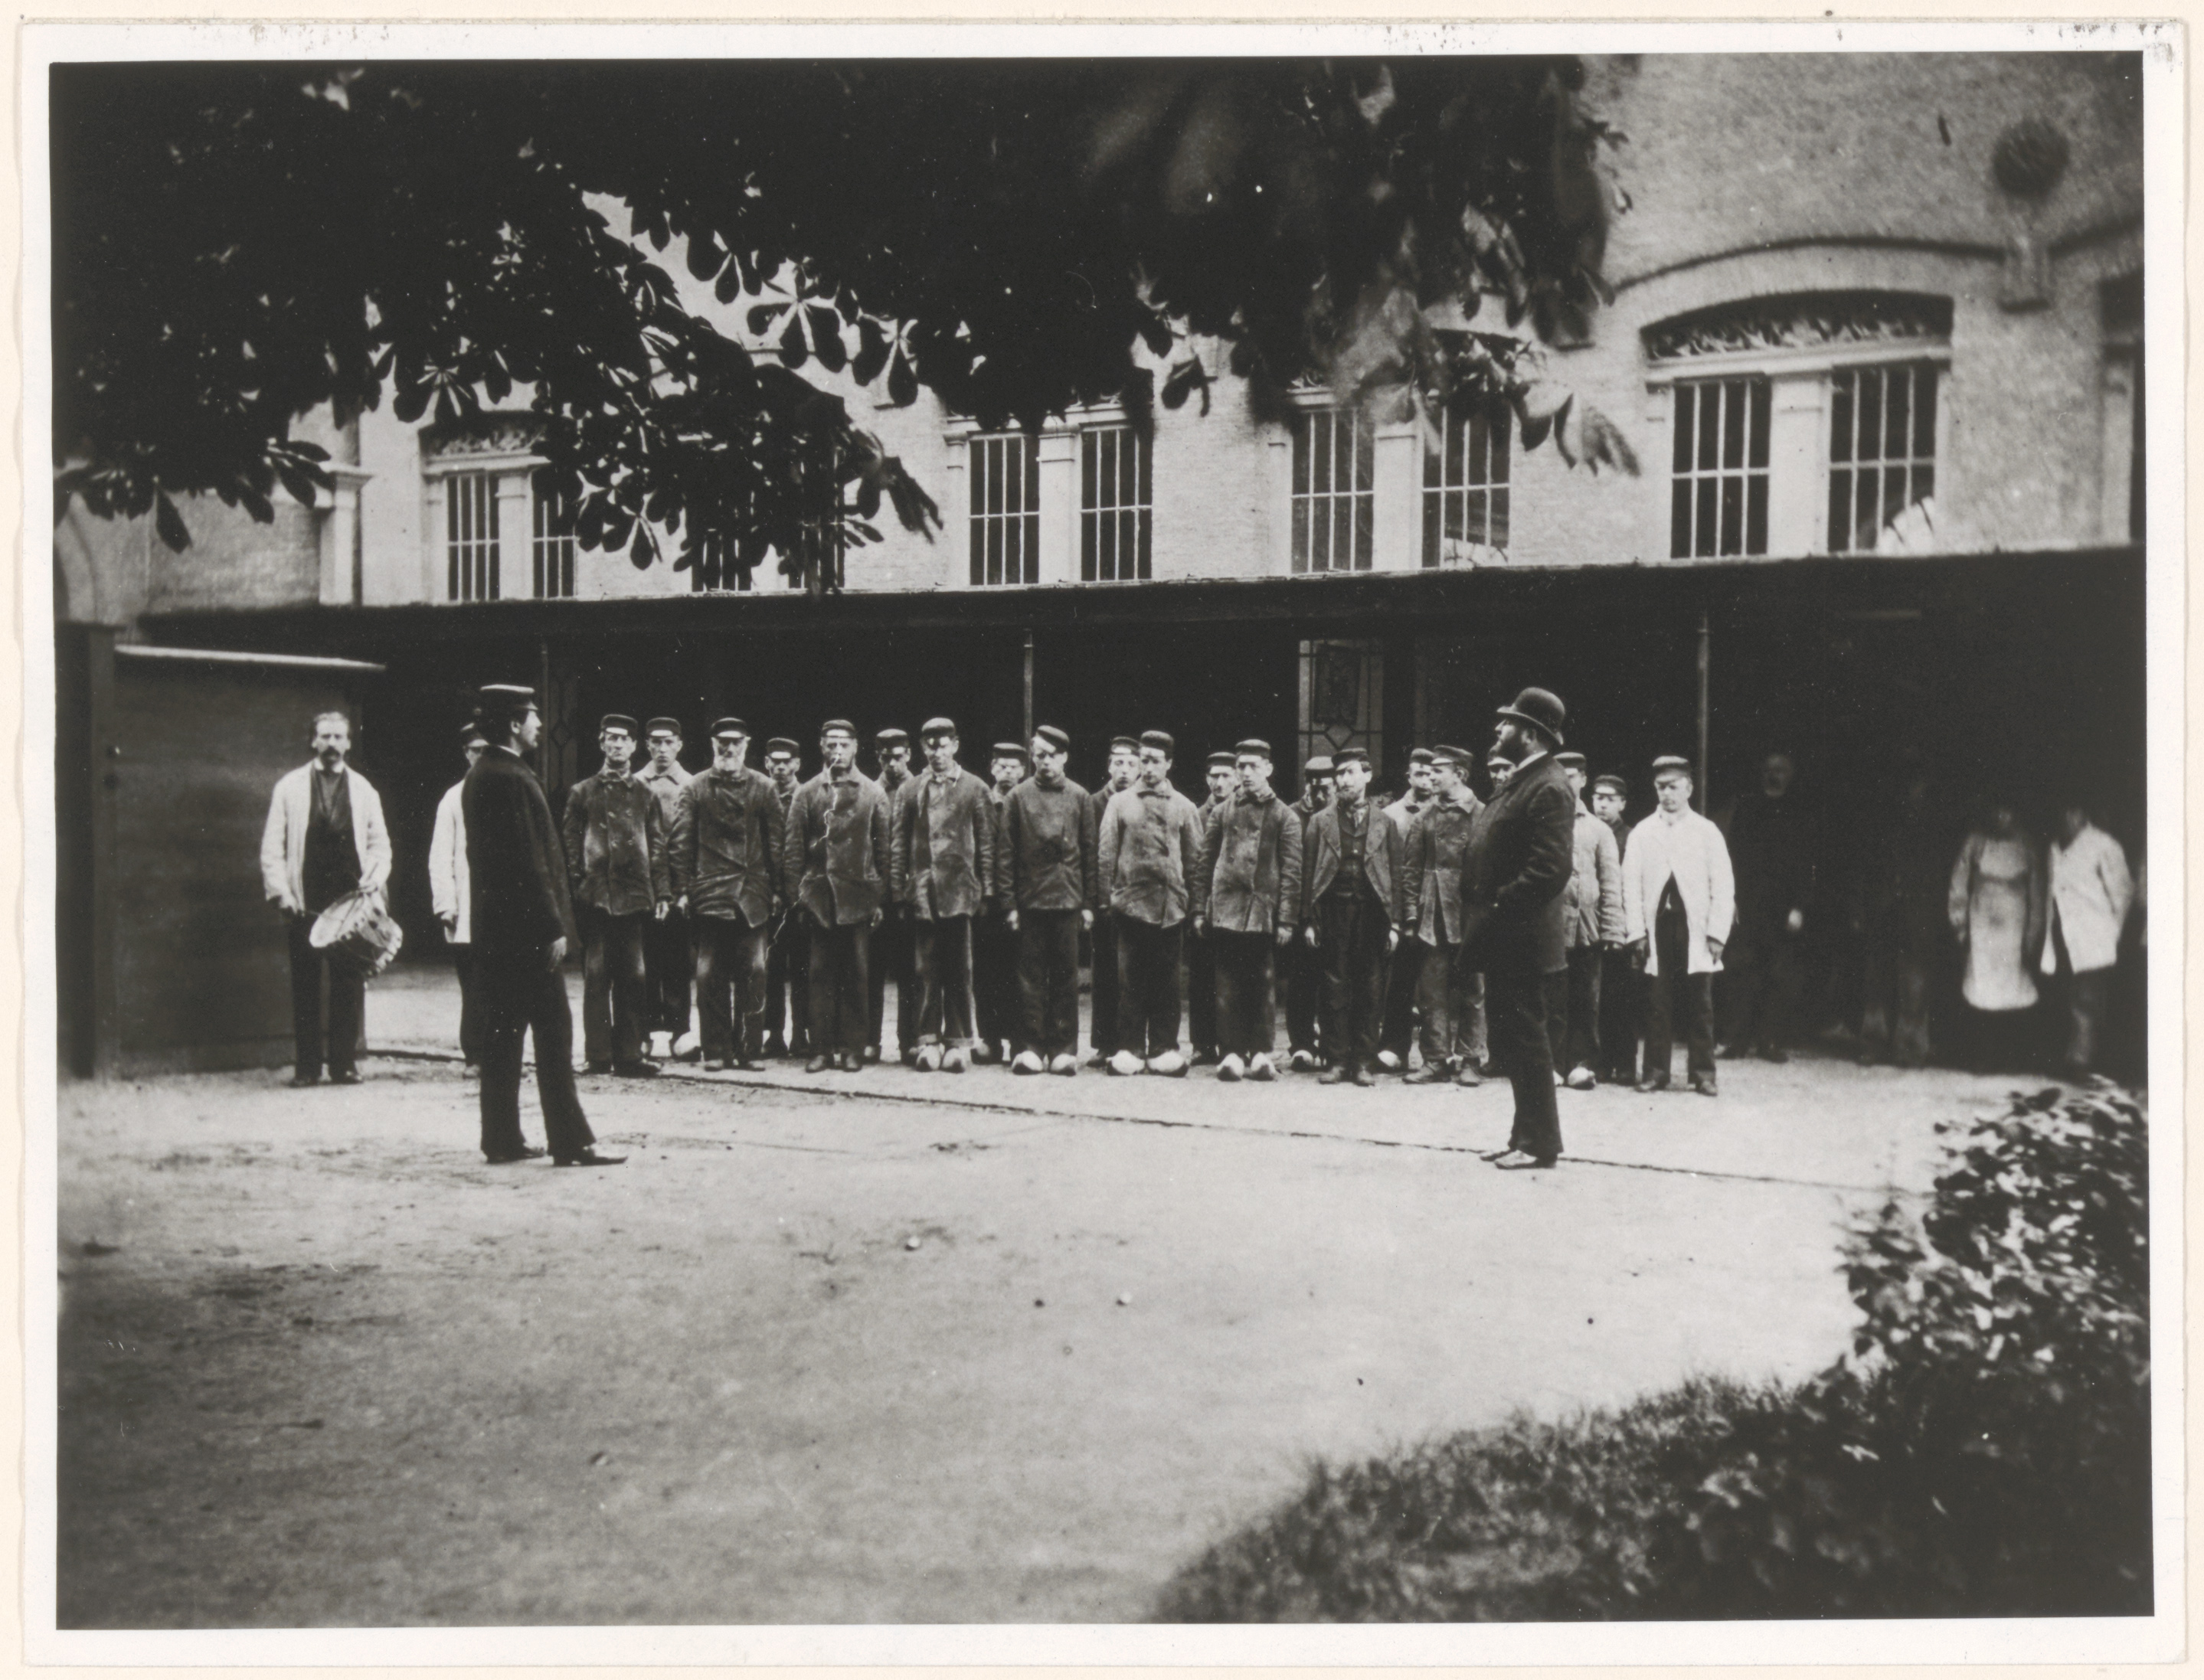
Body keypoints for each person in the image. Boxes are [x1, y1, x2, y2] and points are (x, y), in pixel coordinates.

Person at [463, 685, 621, 1167]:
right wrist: (552, 926)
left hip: (498, 934)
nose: (538, 724)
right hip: (527, 935)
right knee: (554, 1032)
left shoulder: (483, 773)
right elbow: (528, 862)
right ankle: (570, 1142)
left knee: (503, 1035)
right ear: (513, 725)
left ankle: (501, 1139)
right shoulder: (510, 777)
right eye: (532, 716)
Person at [1463, 691, 1578, 1167]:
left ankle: (1540, 1145)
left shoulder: (1548, 785)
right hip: (1505, 936)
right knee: (1513, 1039)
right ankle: (1521, 1137)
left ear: (1529, 734)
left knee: (1527, 1040)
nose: (1498, 730)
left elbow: (1550, 869)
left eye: (1507, 723)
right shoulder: (1525, 779)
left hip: (1521, 938)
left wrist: (1498, 905)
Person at [260, 708, 393, 1087]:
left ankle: (343, 1065)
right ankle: (307, 1068)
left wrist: (373, 879)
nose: (332, 744)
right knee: (305, 982)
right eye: (325, 736)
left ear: (349, 743)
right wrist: (282, 893)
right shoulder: (289, 787)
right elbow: (272, 846)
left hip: (350, 900)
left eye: (338, 737)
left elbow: (380, 845)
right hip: (305, 898)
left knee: (348, 981)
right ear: (313, 741)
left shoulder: (364, 790)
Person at [669, 717, 783, 1072]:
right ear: (713, 744)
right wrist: (682, 890)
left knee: (755, 970)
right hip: (710, 894)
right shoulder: (695, 788)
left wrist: (778, 889)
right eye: (722, 742)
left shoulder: (764, 787)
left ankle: (749, 1051)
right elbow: (681, 843)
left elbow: (776, 844)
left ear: (746, 745)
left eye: (735, 742)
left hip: (752, 894)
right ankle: (716, 1050)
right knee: (709, 975)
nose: (729, 749)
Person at [561, 714, 669, 1077]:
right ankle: (597, 1056)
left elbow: (657, 845)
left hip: (634, 897)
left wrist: (662, 892)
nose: (618, 744)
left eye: (624, 739)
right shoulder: (583, 792)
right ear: (601, 743)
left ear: (634, 746)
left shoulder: (645, 795)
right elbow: (570, 846)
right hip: (596, 898)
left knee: (634, 976)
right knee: (596, 976)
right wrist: (579, 887)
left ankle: (629, 1056)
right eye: (611, 738)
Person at [1192, 738, 1303, 1082]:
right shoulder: (1222, 813)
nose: (1247, 773)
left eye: (1255, 766)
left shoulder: (1284, 815)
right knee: (1227, 984)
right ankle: (1232, 1052)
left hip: (1262, 911)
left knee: (1262, 983)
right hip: (1226, 909)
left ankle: (1262, 1052)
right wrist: (1199, 910)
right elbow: (1205, 863)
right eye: (1242, 766)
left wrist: (1286, 919)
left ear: (1269, 768)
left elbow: (1292, 872)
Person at [891, 717, 998, 1073]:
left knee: (960, 969)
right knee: (925, 970)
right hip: (924, 893)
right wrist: (898, 891)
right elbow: (899, 844)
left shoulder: (975, 788)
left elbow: (986, 844)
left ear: (955, 745)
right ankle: (928, 1041)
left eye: (943, 745)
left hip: (961, 892)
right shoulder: (910, 791)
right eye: (930, 746)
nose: (937, 752)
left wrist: (987, 890)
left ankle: (958, 1042)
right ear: (923, 748)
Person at [1623, 757, 1735, 1097]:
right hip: (1658, 927)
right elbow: (1631, 885)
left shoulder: (1706, 831)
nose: (1667, 794)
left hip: (1695, 928)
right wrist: (1637, 933)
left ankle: (1703, 1074)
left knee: (1701, 1003)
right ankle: (1655, 1072)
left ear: (1689, 788)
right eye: (1661, 787)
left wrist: (1717, 933)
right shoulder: (1643, 832)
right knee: (1658, 1002)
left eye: (1673, 787)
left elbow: (1723, 884)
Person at [784, 720, 891, 1073]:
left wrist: (879, 899)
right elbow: (793, 851)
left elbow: (884, 851)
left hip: (859, 898)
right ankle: (821, 1049)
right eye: (831, 744)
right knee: (819, 975)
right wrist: (798, 899)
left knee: (857, 974)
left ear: (856, 748)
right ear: (821, 747)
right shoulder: (807, 793)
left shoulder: (873, 793)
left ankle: (852, 1049)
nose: (838, 751)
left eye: (844, 744)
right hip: (819, 899)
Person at [1097, 731, 1205, 1075]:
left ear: (1169, 764)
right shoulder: (1120, 803)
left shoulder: (1184, 807)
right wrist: (1107, 901)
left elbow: (1196, 862)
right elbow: (1106, 855)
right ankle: (1129, 1048)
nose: (1148, 767)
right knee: (1129, 982)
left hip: (1170, 909)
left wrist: (1195, 907)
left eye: (1155, 761)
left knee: (1167, 984)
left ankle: (1163, 1048)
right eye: (1144, 760)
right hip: (1130, 908)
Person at [1301, 747, 1402, 1087]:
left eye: (1350, 772)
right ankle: (1336, 1060)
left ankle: (1362, 1062)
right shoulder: (1320, 822)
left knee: (1370, 988)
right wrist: (1309, 921)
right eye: (1339, 774)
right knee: (1333, 987)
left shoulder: (1386, 823)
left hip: (1373, 915)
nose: (1343, 780)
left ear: (1367, 776)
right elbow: (1308, 874)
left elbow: (1396, 876)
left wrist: (1395, 924)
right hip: (1333, 913)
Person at [1002, 726, 1097, 1075]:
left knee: (1065, 979)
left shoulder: (1080, 797)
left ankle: (1063, 1049)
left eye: (1052, 755)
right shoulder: (1017, 797)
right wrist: (1010, 905)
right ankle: (1029, 1048)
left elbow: (1090, 853)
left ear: (1065, 757)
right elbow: (1005, 855)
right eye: (1039, 755)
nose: (1046, 762)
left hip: (1068, 900)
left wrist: (1089, 903)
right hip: (1030, 901)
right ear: (1032, 756)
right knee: (1028, 978)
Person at [1719, 752, 1817, 1062]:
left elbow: (1805, 864)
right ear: (1762, 773)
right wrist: (1731, 899)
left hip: (1782, 909)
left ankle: (1769, 1041)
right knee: (1741, 973)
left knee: (1778, 976)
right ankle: (1737, 1040)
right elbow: (1732, 856)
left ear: (1791, 775)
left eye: (1782, 770)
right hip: (1749, 906)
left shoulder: (1798, 813)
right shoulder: (1747, 808)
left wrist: (1799, 907)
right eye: (1770, 770)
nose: (1775, 775)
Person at [1398, 745, 1484, 1086]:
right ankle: (1435, 1059)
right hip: (1432, 913)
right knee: (1431, 989)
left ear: (1459, 774)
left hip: (1470, 913)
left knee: (1473, 990)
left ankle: (1470, 1060)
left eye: (1439, 771)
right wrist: (1410, 915)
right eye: (1429, 770)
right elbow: (1410, 870)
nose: (1431, 777)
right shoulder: (1425, 817)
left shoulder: (1482, 815)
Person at [1854, 766, 1947, 1070]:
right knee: (1875, 981)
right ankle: (1872, 1043)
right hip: (1882, 911)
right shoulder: (1881, 826)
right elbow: (1865, 871)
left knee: (1914, 984)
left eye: (1919, 788)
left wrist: (1931, 916)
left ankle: (1911, 1048)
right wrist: (1861, 909)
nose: (1913, 793)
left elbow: (1938, 879)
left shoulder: (1933, 831)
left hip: (1917, 915)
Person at [1947, 801, 2046, 1074]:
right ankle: (1983, 1056)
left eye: (2008, 812)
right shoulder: (1975, 842)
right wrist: (1960, 923)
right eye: (1997, 812)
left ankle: (2011, 1057)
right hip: (1982, 923)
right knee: (1982, 987)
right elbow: (1959, 882)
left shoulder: (2026, 844)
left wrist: (2032, 934)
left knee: (2012, 989)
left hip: (2013, 925)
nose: (2002, 817)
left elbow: (2037, 893)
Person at [2040, 802, 2135, 1076]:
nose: (2068, 817)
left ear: (2084, 814)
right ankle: (2070, 1057)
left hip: (2093, 935)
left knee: (2087, 999)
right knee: (2068, 996)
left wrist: (2111, 932)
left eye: (2074, 812)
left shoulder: (2103, 844)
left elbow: (2123, 892)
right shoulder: (2055, 847)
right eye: (2064, 812)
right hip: (2063, 933)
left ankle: (2082, 1062)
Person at [1552, 751, 1624, 1089]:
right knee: (1551, 998)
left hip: (1586, 928)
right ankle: (1552, 1064)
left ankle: (1581, 1064)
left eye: (1572, 776)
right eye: (1559, 775)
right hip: (1550, 928)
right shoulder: (1541, 821)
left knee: (1585, 1000)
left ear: (1582, 780)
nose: (1565, 782)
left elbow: (1611, 883)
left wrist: (1613, 930)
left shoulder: (1598, 830)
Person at [635, 717, 696, 1061]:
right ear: (647, 745)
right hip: (642, 887)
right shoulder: (634, 783)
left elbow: (693, 840)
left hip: (678, 884)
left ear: (679, 745)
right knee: (643, 962)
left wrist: (684, 888)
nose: (662, 749)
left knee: (677, 961)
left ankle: (679, 1032)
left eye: (669, 742)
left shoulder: (691, 784)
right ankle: (642, 1033)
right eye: (655, 742)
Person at [427, 723, 487, 1074]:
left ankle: (501, 1055)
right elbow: (440, 856)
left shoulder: (506, 791)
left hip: (500, 907)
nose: (481, 756)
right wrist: (446, 904)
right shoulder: (453, 798)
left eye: (486, 750)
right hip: (466, 907)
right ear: (466, 753)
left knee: (502, 984)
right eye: (475, 750)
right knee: (473, 984)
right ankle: (475, 1055)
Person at [1377, 747, 1439, 1072]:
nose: (1425, 780)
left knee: (1435, 983)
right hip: (1402, 909)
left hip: (1435, 909)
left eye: (1431, 774)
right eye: (1419, 773)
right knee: (1399, 980)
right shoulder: (1390, 815)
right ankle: (1395, 1046)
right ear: (1409, 776)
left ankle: (1439, 1052)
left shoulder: (1446, 812)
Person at [1083, 736, 1142, 1067]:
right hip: (1105, 901)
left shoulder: (1142, 801)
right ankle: (1105, 1044)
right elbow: (1090, 855)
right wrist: (1095, 901)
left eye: (1131, 764)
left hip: (1134, 901)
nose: (1124, 770)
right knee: (1104, 973)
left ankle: (1132, 1043)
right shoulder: (1094, 803)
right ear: (1108, 766)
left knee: (1131, 975)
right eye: (1118, 763)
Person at [973, 742, 1029, 1065]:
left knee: (1019, 971)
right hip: (986, 900)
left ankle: (1020, 1041)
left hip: (1020, 900)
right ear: (992, 768)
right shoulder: (982, 800)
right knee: (986, 972)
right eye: (1001, 766)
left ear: (1023, 771)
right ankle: (990, 1039)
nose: (1007, 772)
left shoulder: (1028, 800)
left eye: (1014, 767)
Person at [867, 726, 918, 1064]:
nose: (893, 764)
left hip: (910, 896)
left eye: (898, 757)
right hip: (877, 897)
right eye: (886, 758)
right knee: (871, 970)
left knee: (910, 972)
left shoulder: (920, 789)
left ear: (909, 755)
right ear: (878, 758)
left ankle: (909, 1041)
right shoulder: (870, 792)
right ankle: (869, 1040)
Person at [1187, 750, 1238, 1066]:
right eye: (1214, 776)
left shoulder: (1244, 814)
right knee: (1202, 978)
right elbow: (1195, 866)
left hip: (1235, 908)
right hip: (1206, 908)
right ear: (1207, 779)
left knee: (1232, 978)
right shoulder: (1197, 816)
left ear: (1237, 778)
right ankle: (1203, 1044)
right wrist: (1197, 909)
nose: (1220, 782)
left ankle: (1233, 1044)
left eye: (1226, 776)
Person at [1284, 755, 1335, 1070]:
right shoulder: (1293, 815)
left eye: (1325, 789)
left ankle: (1330, 1044)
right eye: (1314, 789)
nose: (1319, 796)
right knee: (1301, 980)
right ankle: (1301, 1044)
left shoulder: (1340, 813)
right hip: (1302, 908)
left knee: (1333, 981)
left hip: (1334, 909)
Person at [761, 738, 810, 1059]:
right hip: (769, 897)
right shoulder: (759, 795)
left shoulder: (807, 796)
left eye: (786, 762)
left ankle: (801, 1032)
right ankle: (774, 1034)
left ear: (797, 764)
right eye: (775, 762)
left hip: (802, 895)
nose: (780, 768)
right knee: (772, 967)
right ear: (767, 763)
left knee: (804, 966)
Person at [1589, 773, 1640, 1084]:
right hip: (1591, 926)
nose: (1603, 804)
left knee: (1621, 998)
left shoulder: (1631, 837)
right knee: (1596, 999)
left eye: (1610, 799)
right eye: (1598, 798)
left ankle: (1626, 1064)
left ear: (1622, 803)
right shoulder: (1586, 832)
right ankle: (1601, 1063)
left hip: (1620, 927)